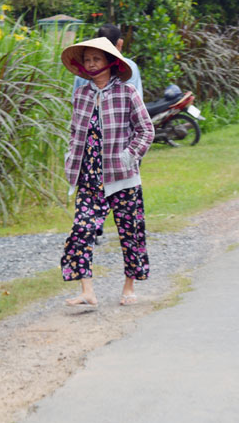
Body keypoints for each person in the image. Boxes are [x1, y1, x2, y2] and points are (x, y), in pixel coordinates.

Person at [60, 37, 155, 307]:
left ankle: (128, 287)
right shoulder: (81, 94)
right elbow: (75, 131)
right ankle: (87, 290)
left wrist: (130, 155)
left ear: (111, 63)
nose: (91, 63)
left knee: (131, 232)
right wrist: (70, 157)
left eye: (97, 59)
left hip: (122, 177)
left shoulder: (127, 93)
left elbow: (146, 130)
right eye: (87, 59)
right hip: (89, 177)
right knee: (81, 230)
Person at [72, 24, 144, 243]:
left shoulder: (83, 72)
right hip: (120, 142)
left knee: (98, 185)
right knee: (117, 186)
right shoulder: (128, 68)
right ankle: (104, 226)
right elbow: (135, 110)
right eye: (89, 60)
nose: (92, 64)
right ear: (119, 44)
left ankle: (97, 225)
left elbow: (76, 110)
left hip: (94, 143)